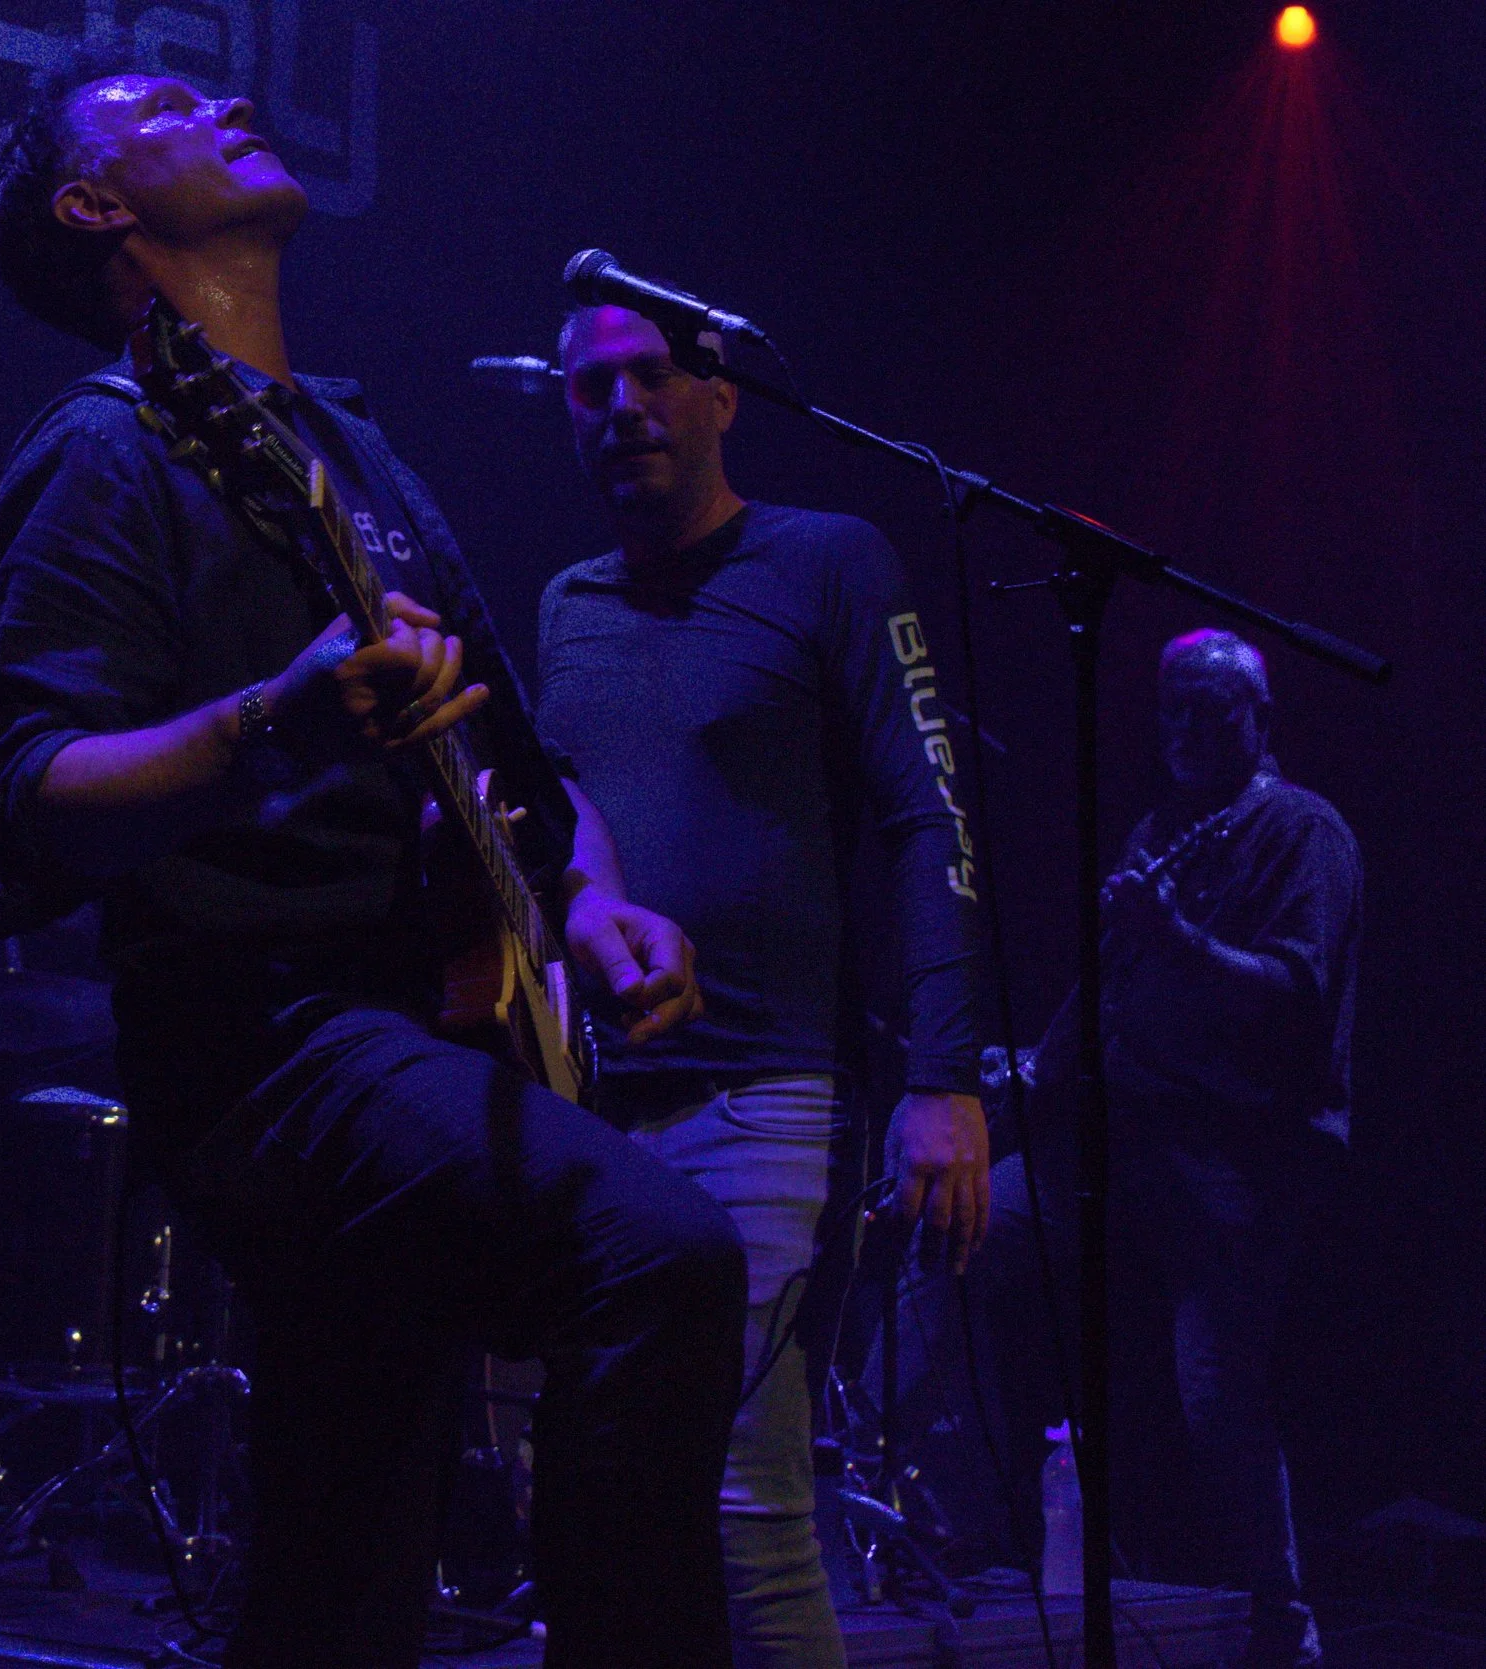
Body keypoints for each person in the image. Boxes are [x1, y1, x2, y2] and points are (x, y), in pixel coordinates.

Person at [0, 45, 748, 1669]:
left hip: (429, 1017)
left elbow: (520, 762)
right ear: (94, 205)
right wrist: (277, 711)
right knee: (657, 1249)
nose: (222, 102)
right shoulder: (111, 447)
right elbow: (32, 796)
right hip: (273, 1040)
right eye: (165, 110)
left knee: (344, 1550)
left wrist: (590, 898)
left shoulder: (353, 450)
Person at [534, 304, 994, 1669]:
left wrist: (946, 1076)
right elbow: (552, 819)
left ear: (721, 392)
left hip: (766, 1093)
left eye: (651, 375)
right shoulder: (567, 604)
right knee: (601, 1510)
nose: (621, 404)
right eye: (589, 385)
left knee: (744, 1506)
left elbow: (929, 819)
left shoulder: (826, 562)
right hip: (589, 1103)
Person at [893, 628, 1356, 1669]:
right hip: (1119, 1136)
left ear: (1260, 721)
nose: (1187, 730)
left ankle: (1281, 1625)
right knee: (952, 1227)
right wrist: (1036, 1070)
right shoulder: (1163, 826)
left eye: (1211, 712)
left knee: (1214, 1392)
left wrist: (1179, 942)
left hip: (1235, 1156)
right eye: (1172, 712)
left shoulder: (1301, 830)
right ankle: (976, 1538)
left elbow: (1301, 993)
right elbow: (1113, 982)